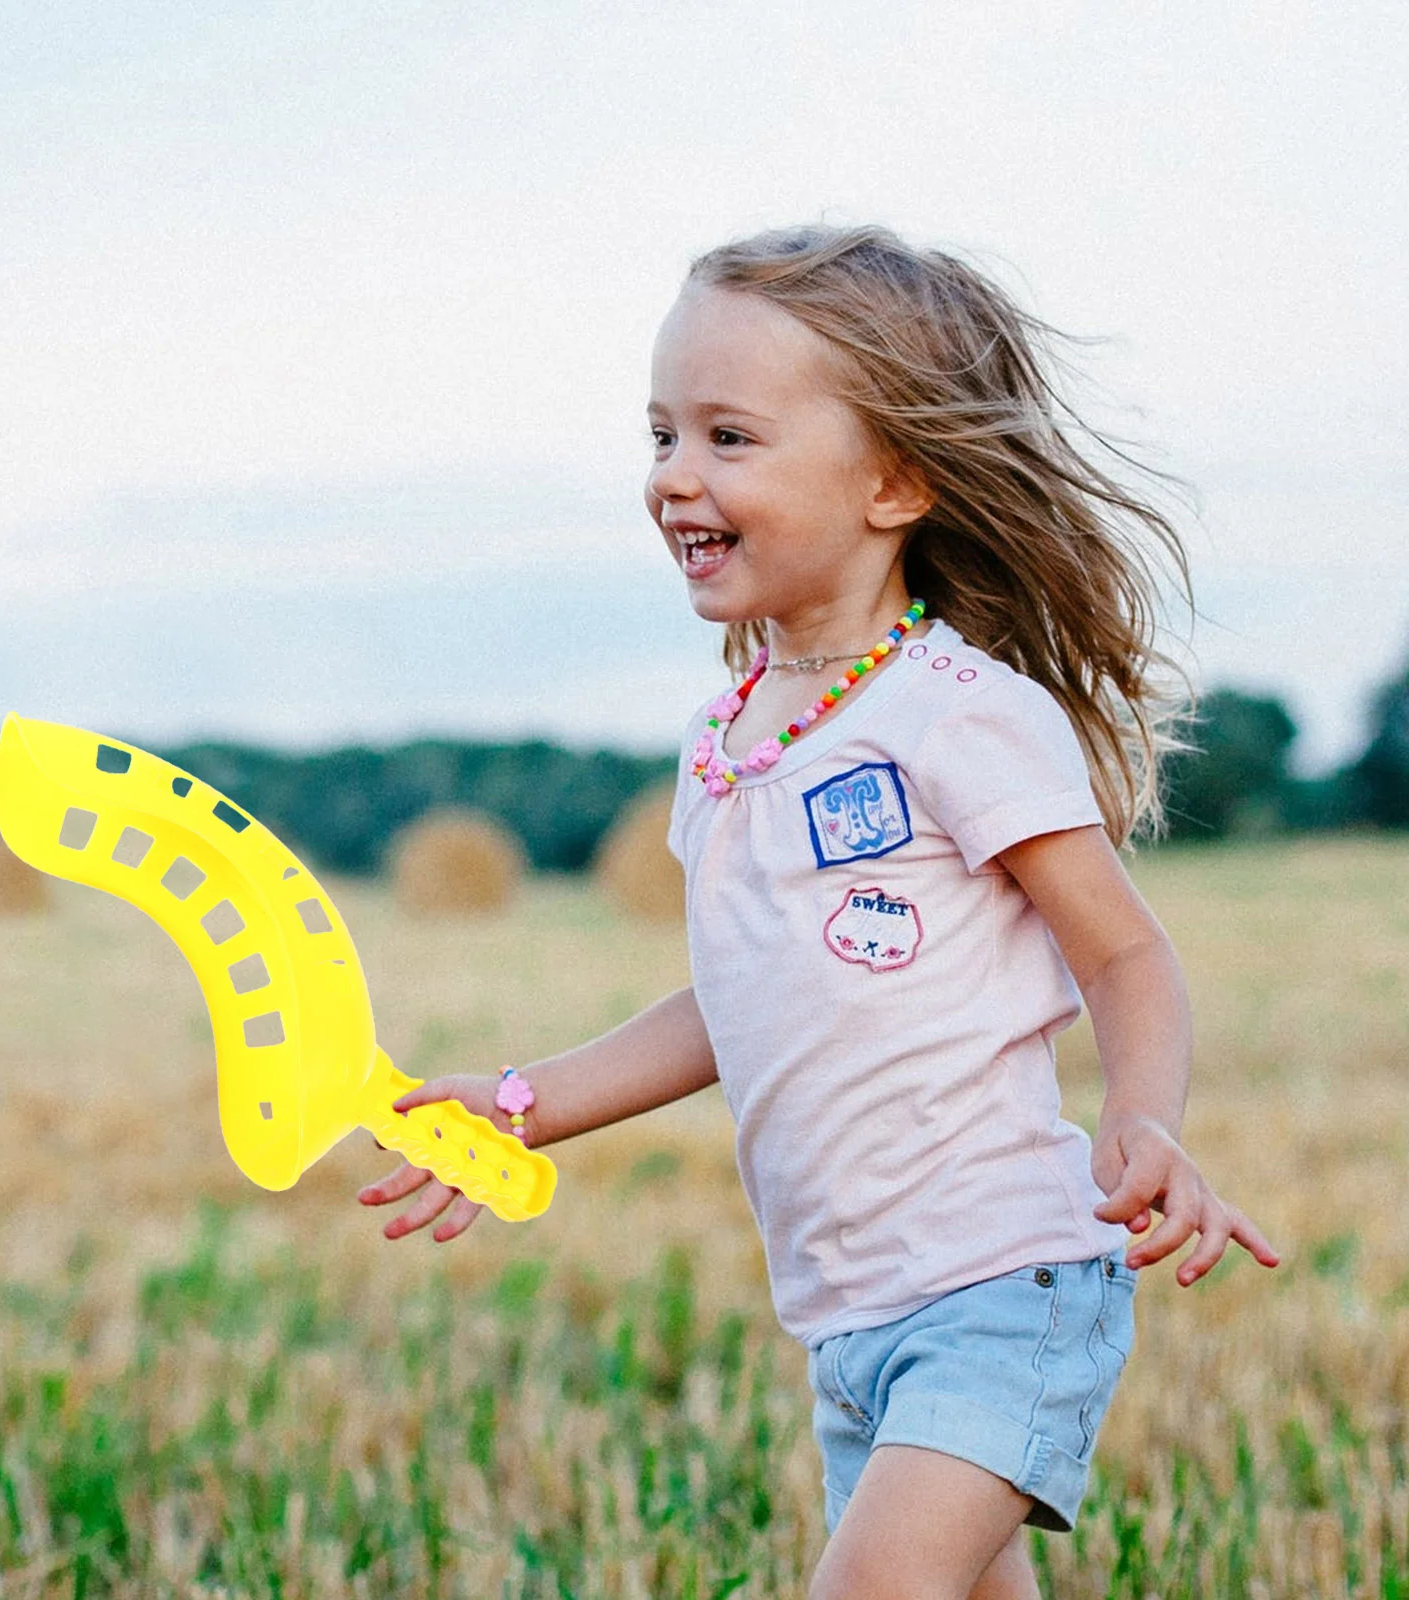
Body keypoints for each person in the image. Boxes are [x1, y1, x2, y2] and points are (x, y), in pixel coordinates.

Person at [358, 224, 1279, 1600]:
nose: (675, 476)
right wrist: (525, 1100)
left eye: (730, 437)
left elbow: (1122, 949)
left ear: (895, 481)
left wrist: (1144, 1121)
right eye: (662, 433)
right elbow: (736, 997)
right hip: (849, 1318)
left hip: (1001, 1286)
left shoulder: (961, 716)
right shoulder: (728, 736)